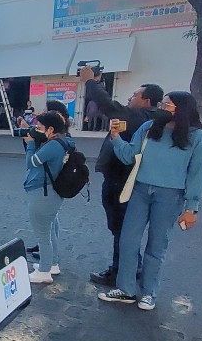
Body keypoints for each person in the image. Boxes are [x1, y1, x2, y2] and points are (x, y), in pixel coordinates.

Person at [98, 91, 202, 311]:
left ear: (181, 110)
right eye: (162, 104)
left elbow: (198, 174)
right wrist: (116, 139)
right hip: (140, 191)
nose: (161, 108)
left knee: (157, 245)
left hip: (170, 195)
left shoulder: (197, 137)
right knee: (128, 240)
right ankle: (126, 289)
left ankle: (149, 292)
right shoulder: (149, 128)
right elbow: (129, 155)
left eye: (166, 105)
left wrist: (192, 208)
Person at [81, 65, 164, 287]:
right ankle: (131, 266)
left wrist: (90, 82)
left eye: (135, 95)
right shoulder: (144, 116)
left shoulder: (141, 116)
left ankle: (119, 272)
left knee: (120, 229)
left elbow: (108, 105)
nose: (130, 97)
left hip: (121, 181)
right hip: (123, 179)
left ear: (147, 101)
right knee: (123, 229)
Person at [21, 111, 74, 284]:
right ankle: (52, 264)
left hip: (43, 193)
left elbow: (32, 162)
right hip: (51, 193)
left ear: (50, 129)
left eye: (40, 127)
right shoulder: (64, 141)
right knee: (49, 231)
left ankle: (44, 272)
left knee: (42, 235)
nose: (37, 130)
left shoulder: (53, 146)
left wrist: (30, 144)